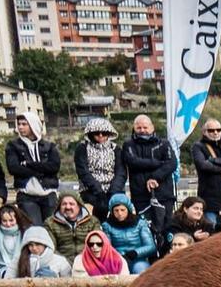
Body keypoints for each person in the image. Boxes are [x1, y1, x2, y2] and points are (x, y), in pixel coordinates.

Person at [116, 115, 176, 245]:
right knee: (146, 230)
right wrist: (158, 162)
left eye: (145, 127)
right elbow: (133, 162)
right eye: (139, 127)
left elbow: (171, 164)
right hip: (141, 196)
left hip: (164, 194)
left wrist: (156, 178)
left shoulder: (164, 143)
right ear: (134, 128)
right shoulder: (128, 145)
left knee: (166, 228)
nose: (142, 130)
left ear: (152, 127)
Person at [5, 112, 62, 227]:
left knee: (51, 228)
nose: (20, 127)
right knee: (34, 228)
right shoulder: (13, 146)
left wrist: (29, 164)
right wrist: (41, 169)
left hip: (48, 193)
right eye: (19, 124)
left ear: (33, 125)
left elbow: (54, 167)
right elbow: (13, 168)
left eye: (24, 124)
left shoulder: (49, 146)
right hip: (26, 195)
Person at [73, 117, 121, 219]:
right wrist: (98, 190)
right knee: (102, 206)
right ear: (90, 134)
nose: (100, 136)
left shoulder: (115, 149)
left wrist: (114, 190)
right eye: (96, 133)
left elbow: (121, 172)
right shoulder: (82, 148)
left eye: (104, 133)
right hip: (90, 189)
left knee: (120, 206)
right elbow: (83, 171)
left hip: (112, 188)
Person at [100, 193, 157, 268]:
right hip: (117, 260)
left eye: (122, 210)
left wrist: (135, 253)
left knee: (140, 268)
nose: (119, 213)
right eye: (116, 210)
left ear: (128, 209)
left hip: (138, 259)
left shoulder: (140, 223)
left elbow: (151, 246)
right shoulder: (107, 226)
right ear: (112, 212)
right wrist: (118, 256)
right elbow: (107, 248)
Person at [45, 194, 101, 264]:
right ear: (59, 206)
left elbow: (98, 244)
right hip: (61, 262)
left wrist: (83, 261)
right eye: (64, 204)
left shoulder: (92, 221)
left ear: (79, 205)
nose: (68, 207)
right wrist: (65, 262)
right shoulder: (50, 223)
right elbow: (51, 248)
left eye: (71, 204)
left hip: (87, 260)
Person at [0, 204, 27, 278]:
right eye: (4, 221)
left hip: (23, 265)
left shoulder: (25, 233)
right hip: (2, 267)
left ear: (17, 219)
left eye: (11, 220)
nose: (8, 224)